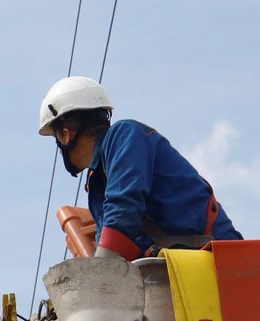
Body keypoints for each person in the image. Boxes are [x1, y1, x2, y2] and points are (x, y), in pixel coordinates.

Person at [38, 76, 240, 260]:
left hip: (219, 258)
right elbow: (114, 242)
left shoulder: (124, 135)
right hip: (183, 263)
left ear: (65, 135)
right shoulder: (99, 180)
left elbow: (123, 210)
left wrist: (99, 280)